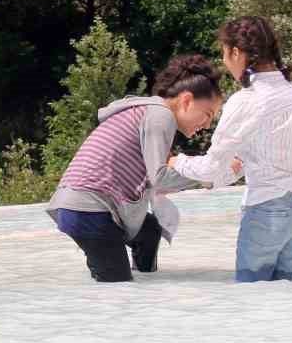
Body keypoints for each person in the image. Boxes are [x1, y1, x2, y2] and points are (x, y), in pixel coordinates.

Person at [169, 17, 292, 281]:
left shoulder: (246, 100)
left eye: (225, 54)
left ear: (237, 53)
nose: (226, 62)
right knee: (285, 303)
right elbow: (251, 160)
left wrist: (176, 162)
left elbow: (210, 168)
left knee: (251, 302)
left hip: (269, 209)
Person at [46, 56, 220, 282]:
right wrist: (209, 176)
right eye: (208, 114)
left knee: (149, 231)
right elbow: (161, 179)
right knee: (120, 290)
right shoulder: (161, 115)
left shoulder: (146, 110)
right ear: (186, 100)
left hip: (77, 205)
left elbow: (151, 176)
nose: (207, 125)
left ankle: (147, 281)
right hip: (89, 211)